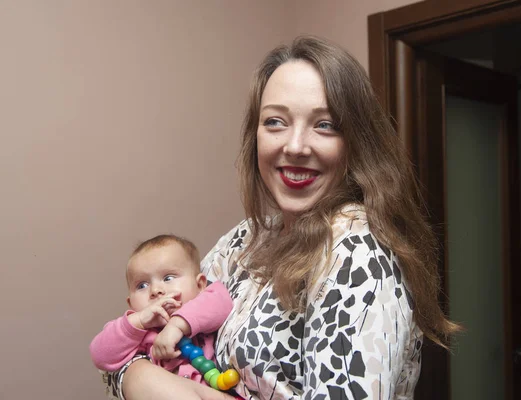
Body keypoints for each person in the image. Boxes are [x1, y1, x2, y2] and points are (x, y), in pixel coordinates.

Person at [101, 36, 459, 400]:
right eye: (275, 122)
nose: (295, 146)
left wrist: (152, 383)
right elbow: (138, 347)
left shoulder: (358, 257)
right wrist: (136, 374)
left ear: (357, 141)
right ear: (254, 135)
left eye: (325, 125)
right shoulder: (247, 239)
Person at [91, 234, 233, 384]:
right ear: (131, 303)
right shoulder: (139, 335)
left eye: (168, 278)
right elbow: (100, 355)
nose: (155, 290)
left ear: (199, 285)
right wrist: (137, 321)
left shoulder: (206, 302)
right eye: (142, 286)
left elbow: (220, 302)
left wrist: (176, 326)